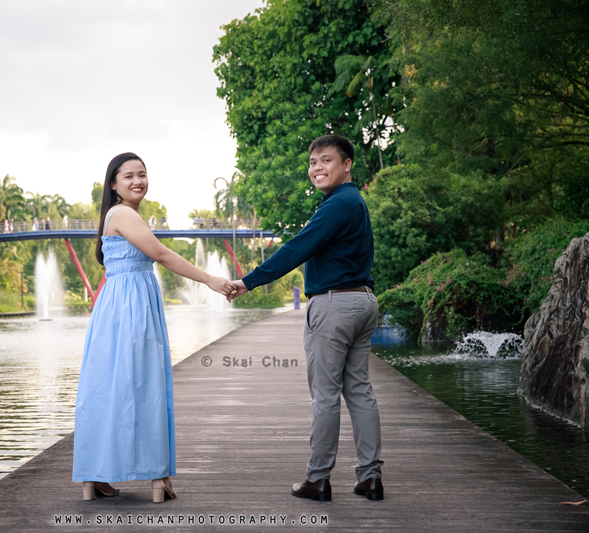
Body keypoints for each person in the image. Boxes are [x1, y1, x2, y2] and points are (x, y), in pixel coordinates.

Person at [229, 134, 384, 502]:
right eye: (313, 162)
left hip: (334, 306)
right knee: (359, 391)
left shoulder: (337, 205)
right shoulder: (352, 201)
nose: (317, 168)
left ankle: (318, 479)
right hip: (362, 301)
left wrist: (249, 282)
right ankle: (370, 478)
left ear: (346, 165)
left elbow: (297, 248)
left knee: (326, 395)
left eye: (326, 160)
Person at [73, 152, 232, 503]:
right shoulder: (124, 213)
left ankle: (95, 475)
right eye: (128, 176)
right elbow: (161, 254)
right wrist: (210, 280)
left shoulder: (119, 215)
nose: (137, 181)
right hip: (130, 309)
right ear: (113, 184)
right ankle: (155, 476)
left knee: (107, 387)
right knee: (144, 386)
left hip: (120, 306)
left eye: (142, 174)